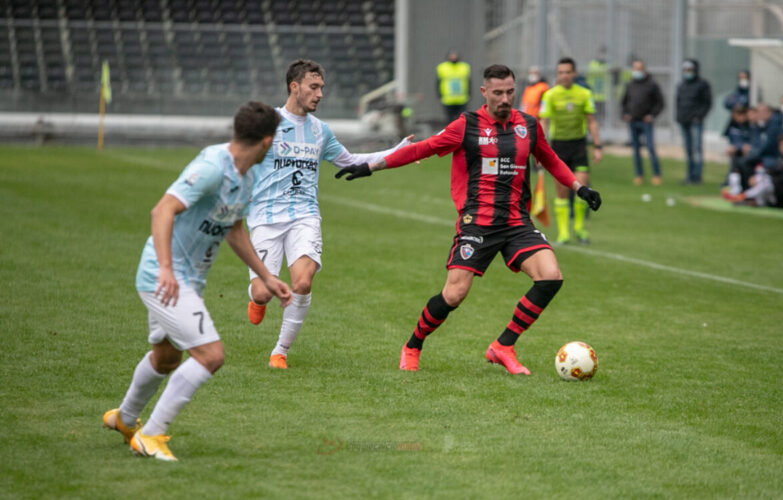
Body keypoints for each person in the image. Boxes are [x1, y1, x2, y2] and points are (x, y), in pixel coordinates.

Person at [334, 64, 602, 375]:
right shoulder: (467, 125)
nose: (505, 99)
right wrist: (370, 166)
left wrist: (579, 188)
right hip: (478, 223)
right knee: (454, 294)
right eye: (498, 93)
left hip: (516, 222)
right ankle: (413, 345)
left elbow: (550, 159)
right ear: (484, 92)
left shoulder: (528, 126)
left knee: (551, 276)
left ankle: (503, 346)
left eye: (510, 92)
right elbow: (422, 148)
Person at [103, 102, 292, 461]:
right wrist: (165, 269)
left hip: (187, 278)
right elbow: (162, 210)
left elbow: (233, 229)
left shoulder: (247, 176)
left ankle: (125, 419)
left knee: (166, 357)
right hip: (165, 278)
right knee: (210, 355)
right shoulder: (211, 168)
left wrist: (267, 276)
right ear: (267, 141)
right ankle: (150, 435)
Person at [245, 60, 411, 370]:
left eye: (322, 87)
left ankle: (280, 351)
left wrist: (398, 151)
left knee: (303, 283)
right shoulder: (267, 123)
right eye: (313, 87)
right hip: (265, 218)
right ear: (294, 87)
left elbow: (351, 161)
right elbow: (239, 158)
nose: (320, 94)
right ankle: (256, 299)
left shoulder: (320, 131)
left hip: (304, 216)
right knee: (264, 292)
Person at [539, 57, 603, 245]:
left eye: (567, 72)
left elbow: (591, 121)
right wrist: (540, 149)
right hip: (559, 147)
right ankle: (564, 233)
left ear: (574, 73)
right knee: (562, 192)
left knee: (581, 188)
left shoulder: (583, 94)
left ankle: (580, 229)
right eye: (560, 72)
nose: (564, 76)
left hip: (578, 146)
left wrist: (598, 146)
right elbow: (544, 121)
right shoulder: (550, 95)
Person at [723, 134, 783, 209]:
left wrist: (771, 179)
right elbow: (775, 171)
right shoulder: (782, 158)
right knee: (760, 178)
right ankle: (749, 199)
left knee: (765, 183)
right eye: (782, 145)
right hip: (776, 188)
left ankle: (743, 197)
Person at [621, 58, 664, 185]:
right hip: (633, 121)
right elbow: (624, 102)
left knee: (650, 147)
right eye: (635, 69)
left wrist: (652, 115)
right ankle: (639, 175)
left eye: (639, 69)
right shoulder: (630, 84)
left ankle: (656, 174)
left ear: (644, 70)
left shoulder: (652, 85)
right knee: (636, 150)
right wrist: (625, 114)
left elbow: (660, 103)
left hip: (646, 121)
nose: (637, 71)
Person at [675, 58, 712, 184]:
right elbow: (678, 102)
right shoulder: (682, 85)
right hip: (683, 120)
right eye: (685, 70)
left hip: (695, 121)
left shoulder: (702, 84)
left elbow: (707, 103)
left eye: (689, 69)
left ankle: (697, 177)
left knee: (697, 149)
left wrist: (699, 116)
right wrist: (679, 117)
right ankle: (689, 176)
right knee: (688, 149)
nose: (687, 72)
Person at [436, 50, 471, 124]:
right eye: (452, 55)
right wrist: (439, 94)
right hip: (448, 99)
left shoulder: (464, 67)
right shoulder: (442, 67)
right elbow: (438, 82)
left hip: (462, 99)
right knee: (449, 120)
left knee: (461, 120)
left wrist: (469, 93)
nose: (453, 57)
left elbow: (469, 81)